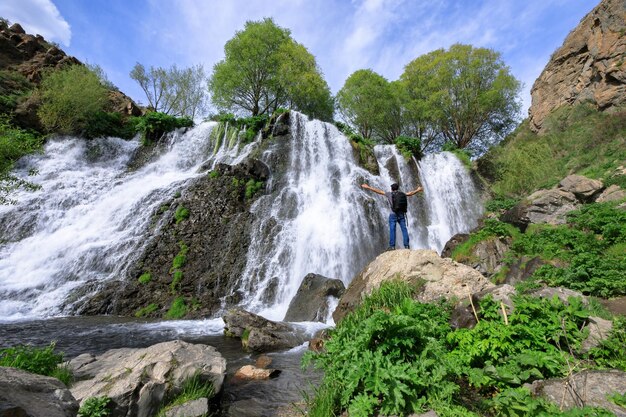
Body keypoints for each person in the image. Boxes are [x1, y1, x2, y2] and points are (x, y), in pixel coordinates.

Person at [361, 182, 424, 250]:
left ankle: (392, 246)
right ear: (397, 188)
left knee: (392, 230)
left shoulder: (389, 194)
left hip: (393, 214)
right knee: (404, 229)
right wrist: (418, 190)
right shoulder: (402, 194)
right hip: (401, 214)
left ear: (391, 189)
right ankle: (406, 246)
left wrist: (368, 187)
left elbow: (378, 191)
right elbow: (410, 193)